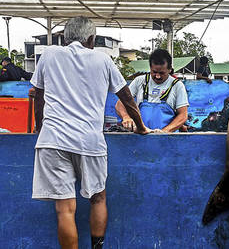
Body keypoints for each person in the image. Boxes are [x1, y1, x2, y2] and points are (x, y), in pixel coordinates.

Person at [30, 17, 150, 249]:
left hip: (53, 140)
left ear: (65, 38)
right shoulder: (102, 59)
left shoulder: (49, 55)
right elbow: (126, 97)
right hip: (89, 141)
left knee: (64, 209)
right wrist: (141, 127)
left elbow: (39, 98)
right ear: (91, 39)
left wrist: (39, 128)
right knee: (98, 198)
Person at [115, 49, 189, 132]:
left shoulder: (177, 85)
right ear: (150, 67)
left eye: (162, 73)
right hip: (141, 137)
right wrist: (126, 117)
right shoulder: (139, 81)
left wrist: (164, 132)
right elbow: (120, 103)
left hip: (166, 140)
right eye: (154, 72)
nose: (157, 76)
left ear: (170, 69)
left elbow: (183, 115)